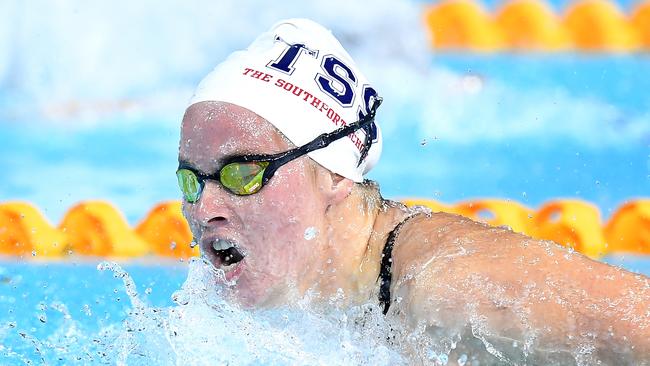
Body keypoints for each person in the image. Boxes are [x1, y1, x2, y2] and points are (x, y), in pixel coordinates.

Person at [176, 18, 649, 364]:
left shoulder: (451, 290)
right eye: (190, 180)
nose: (204, 208)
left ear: (336, 173)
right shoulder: (329, 296)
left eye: (243, 173)